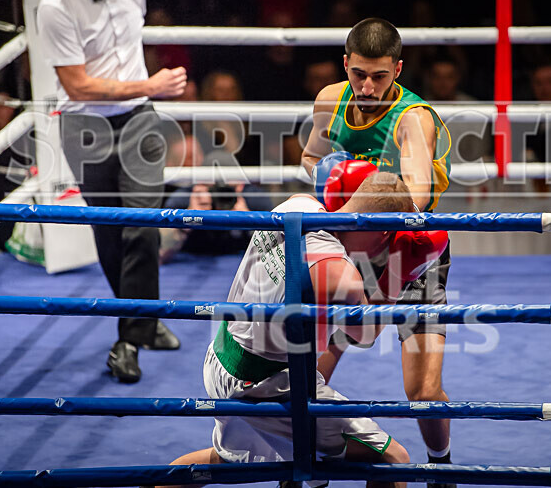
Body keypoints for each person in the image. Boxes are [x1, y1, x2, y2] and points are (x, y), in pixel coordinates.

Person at [166, 172, 435, 488]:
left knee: (226, 461)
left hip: (222, 358)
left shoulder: (296, 204)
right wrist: (398, 273)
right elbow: (365, 334)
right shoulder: (341, 275)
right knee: (392, 460)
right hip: (267, 386)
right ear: (385, 233)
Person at [300, 18, 455, 484]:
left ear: (398, 70)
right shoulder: (330, 100)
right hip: (349, 249)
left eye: (380, 76)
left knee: (423, 390)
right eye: (359, 74)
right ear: (345, 63)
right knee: (308, 373)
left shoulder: (413, 119)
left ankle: (442, 467)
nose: (367, 87)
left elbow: (417, 196)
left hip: (411, 253)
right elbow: (310, 157)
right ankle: (304, 461)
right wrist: (328, 174)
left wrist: (354, 180)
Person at [37, 0, 188, 383]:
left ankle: (129, 341)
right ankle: (146, 321)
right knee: (109, 232)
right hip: (86, 127)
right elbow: (78, 86)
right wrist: (150, 86)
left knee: (143, 226)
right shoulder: (56, 4)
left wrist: (145, 92)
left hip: (138, 120)